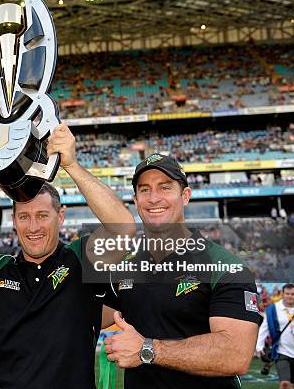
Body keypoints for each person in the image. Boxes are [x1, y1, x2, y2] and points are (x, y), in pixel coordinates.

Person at [0, 123, 135, 388]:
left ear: (61, 217)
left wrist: (71, 165)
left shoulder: (80, 259)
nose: (33, 227)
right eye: (24, 217)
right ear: (13, 221)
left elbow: (123, 227)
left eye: (42, 216)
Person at [103, 153, 262, 388]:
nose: (154, 198)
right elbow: (85, 315)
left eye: (164, 187)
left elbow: (235, 354)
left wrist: (147, 349)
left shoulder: (224, 265)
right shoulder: (126, 265)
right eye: (144, 190)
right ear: (135, 201)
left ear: (185, 195)